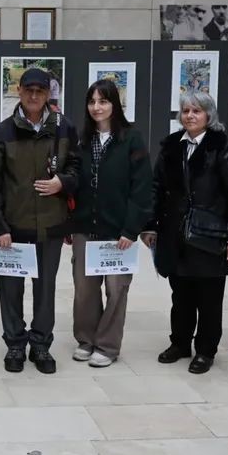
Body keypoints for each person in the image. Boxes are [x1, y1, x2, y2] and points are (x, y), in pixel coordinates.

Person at [141, 91, 228, 375]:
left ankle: (206, 350)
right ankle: (180, 343)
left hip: (210, 235)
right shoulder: (171, 146)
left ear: (208, 115)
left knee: (209, 299)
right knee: (181, 295)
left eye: (196, 111)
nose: (190, 116)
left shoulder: (223, 148)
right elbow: (156, 187)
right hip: (175, 233)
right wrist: (150, 224)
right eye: (186, 111)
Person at [0, 68, 81, 375]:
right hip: (14, 228)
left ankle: (40, 344)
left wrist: (62, 182)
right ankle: (15, 343)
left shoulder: (64, 127)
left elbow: (78, 168)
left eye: (40, 91)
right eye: (29, 90)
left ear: (48, 94)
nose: (34, 95)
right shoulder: (3, 131)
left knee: (45, 289)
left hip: (51, 225)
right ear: (19, 91)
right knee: (10, 290)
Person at [69, 80, 152, 368]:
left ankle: (107, 345)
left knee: (116, 291)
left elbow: (142, 188)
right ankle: (86, 339)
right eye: (92, 101)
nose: (97, 107)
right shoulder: (82, 140)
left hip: (118, 233)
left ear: (114, 104)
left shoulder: (131, 139)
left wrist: (131, 229)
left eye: (103, 101)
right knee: (84, 290)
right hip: (85, 228)